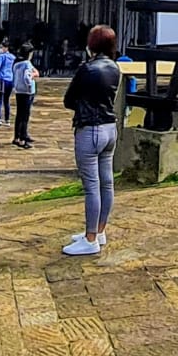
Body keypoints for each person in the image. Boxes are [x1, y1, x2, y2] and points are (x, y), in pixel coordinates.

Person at [62, 25, 121, 255]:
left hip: (90, 128)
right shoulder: (115, 67)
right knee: (106, 182)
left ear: (92, 44)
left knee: (92, 186)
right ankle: (100, 229)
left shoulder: (87, 69)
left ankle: (90, 239)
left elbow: (69, 100)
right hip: (109, 127)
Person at [11, 42, 38, 148]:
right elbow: (27, 77)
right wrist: (31, 84)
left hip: (18, 90)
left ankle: (18, 136)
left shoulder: (16, 63)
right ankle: (22, 139)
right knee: (25, 115)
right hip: (27, 92)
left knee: (19, 114)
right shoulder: (27, 63)